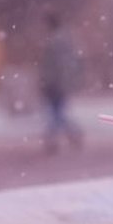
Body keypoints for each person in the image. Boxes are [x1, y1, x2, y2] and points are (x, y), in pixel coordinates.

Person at [38, 13, 83, 153]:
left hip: (55, 83)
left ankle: (55, 137)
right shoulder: (63, 40)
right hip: (59, 82)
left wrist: (49, 80)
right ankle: (71, 133)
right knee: (57, 112)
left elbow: (54, 65)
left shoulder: (54, 42)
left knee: (55, 113)